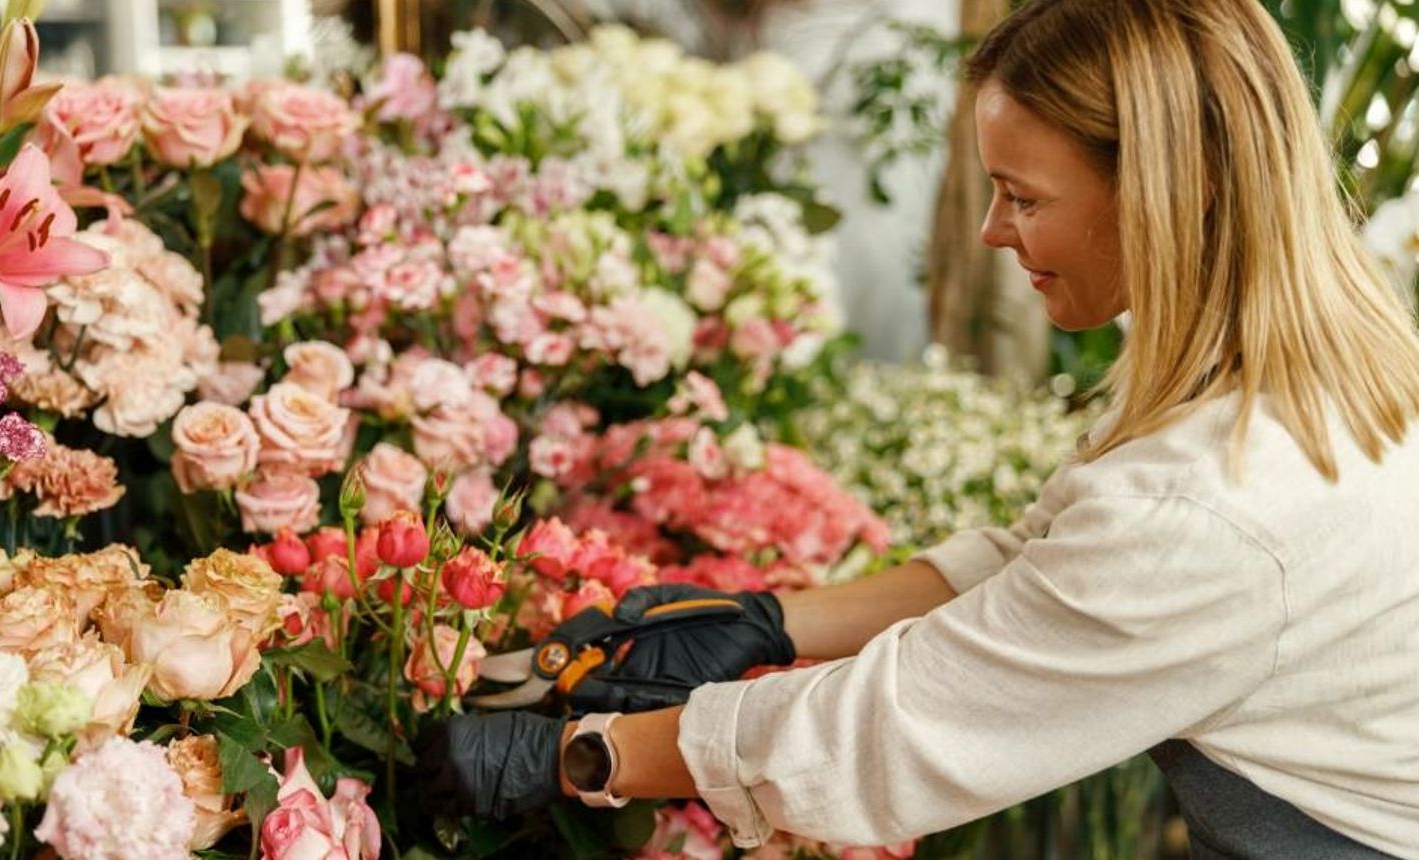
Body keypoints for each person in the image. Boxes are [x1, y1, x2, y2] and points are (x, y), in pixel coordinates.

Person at [416, 0, 1419, 856]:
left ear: (1162, 195)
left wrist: (573, 756)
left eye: (1022, 196)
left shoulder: (1216, 501)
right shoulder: (1288, 366)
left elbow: (898, 730)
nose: (991, 229)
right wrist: (766, 618)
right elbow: (1047, 562)